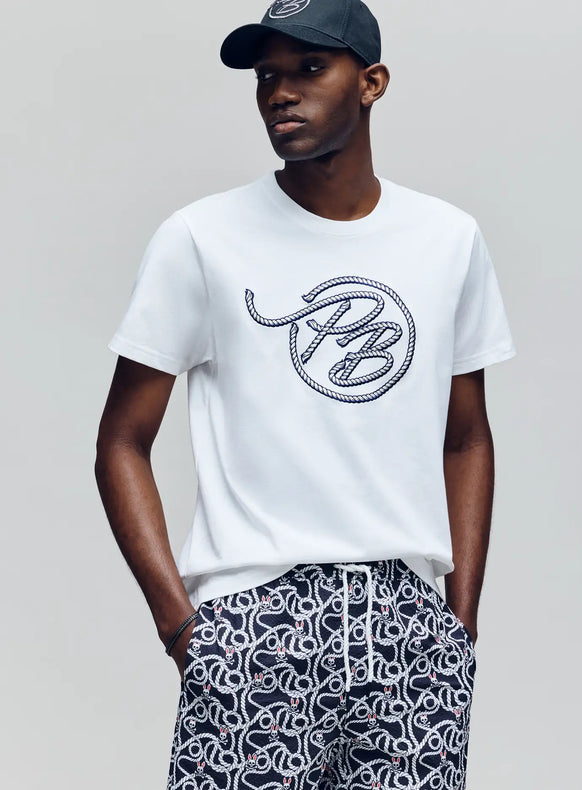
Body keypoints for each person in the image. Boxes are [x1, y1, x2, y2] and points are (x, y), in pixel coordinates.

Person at [95, 1, 517, 788]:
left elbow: (467, 437)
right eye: (267, 76)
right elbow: (121, 441)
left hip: (409, 627)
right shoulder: (202, 238)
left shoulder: (447, 240)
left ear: (372, 82)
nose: (280, 92)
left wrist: (457, 625)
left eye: (310, 69)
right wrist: (182, 628)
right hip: (255, 623)